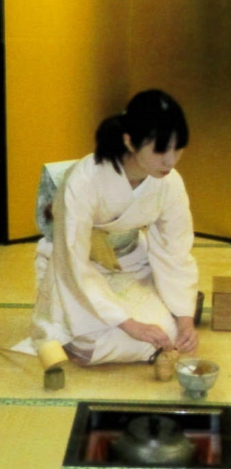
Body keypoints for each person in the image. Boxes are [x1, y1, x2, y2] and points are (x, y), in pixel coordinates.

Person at [30, 89, 199, 365]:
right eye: (160, 150)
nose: (171, 161)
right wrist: (129, 324)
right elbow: (72, 259)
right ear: (129, 141)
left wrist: (185, 319)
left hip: (129, 262)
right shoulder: (84, 180)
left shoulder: (170, 183)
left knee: (168, 331)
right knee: (100, 339)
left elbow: (175, 251)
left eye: (178, 149)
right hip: (75, 268)